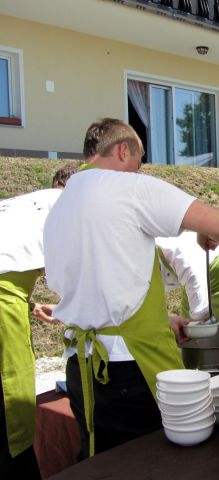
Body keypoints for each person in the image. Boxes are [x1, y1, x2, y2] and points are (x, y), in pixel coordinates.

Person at [43, 118, 219, 458]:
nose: (139, 168)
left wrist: (163, 318)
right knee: (151, 463)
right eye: (139, 159)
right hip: (128, 373)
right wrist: (206, 233)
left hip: (80, 367)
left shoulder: (61, 205)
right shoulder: (128, 186)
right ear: (122, 150)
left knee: (100, 463)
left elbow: (102, 285)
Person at [0, 163, 78, 479]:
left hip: (8, 289)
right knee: (14, 383)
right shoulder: (69, 204)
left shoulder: (25, 204)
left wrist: (27, 301)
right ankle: (18, 461)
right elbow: (79, 280)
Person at [156, 231, 219, 323]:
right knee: (185, 322)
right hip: (189, 270)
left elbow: (200, 314)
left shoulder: (187, 264)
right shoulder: (147, 254)